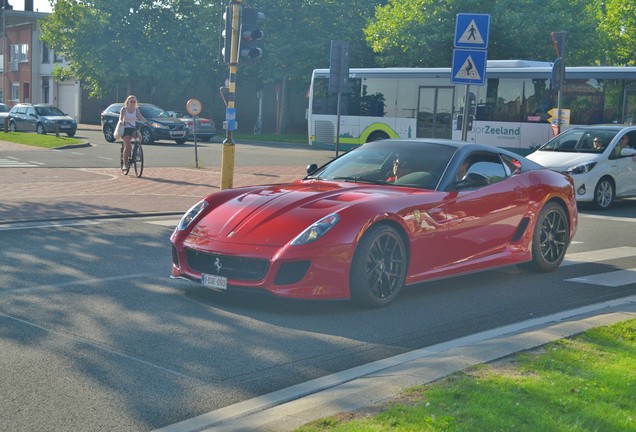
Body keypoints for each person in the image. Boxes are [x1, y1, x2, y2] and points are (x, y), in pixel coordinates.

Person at [120, 95, 148, 169]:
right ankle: (125, 164)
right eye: (131, 101)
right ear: (128, 101)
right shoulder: (124, 109)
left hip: (133, 128)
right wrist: (122, 122)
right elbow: (121, 118)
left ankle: (137, 152)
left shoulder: (136, 109)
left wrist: (147, 122)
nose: (133, 103)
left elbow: (140, 117)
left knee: (139, 137)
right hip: (125, 129)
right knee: (128, 146)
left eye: (134, 101)